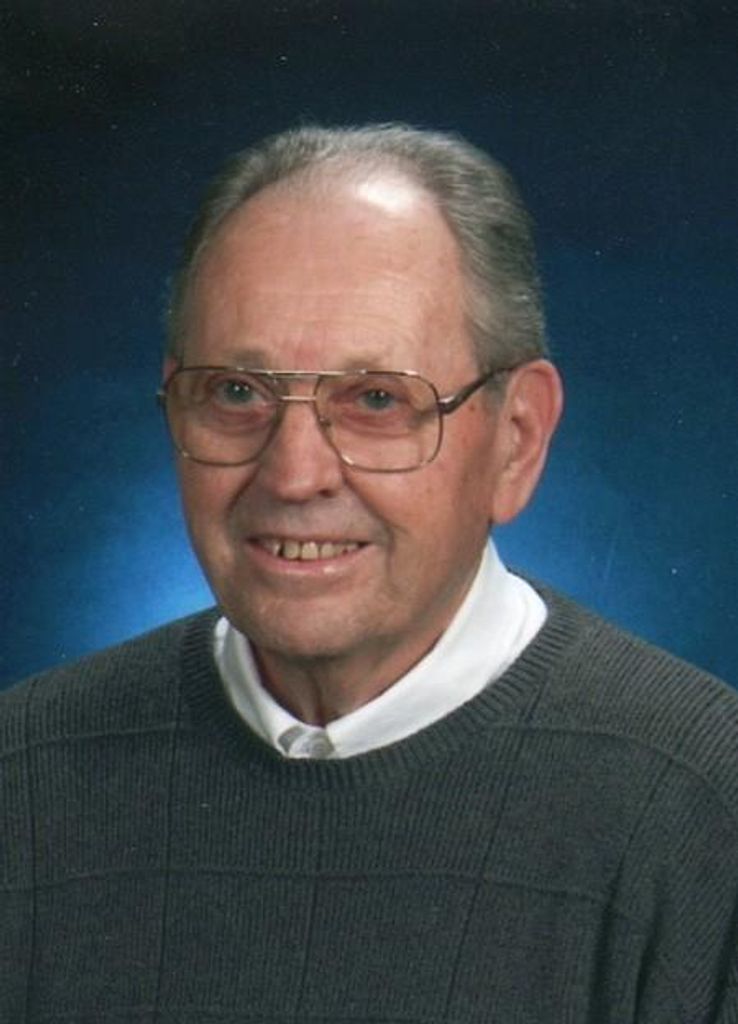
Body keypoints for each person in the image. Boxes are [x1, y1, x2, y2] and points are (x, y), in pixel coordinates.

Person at [2, 124, 737, 1023]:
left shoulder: (707, 806)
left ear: (516, 440)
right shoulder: (21, 780)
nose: (294, 474)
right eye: (236, 392)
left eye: (378, 400)